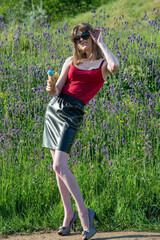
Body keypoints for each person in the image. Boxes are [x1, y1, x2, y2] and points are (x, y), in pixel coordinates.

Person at [42, 22, 119, 240]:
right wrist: (51, 88)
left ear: (92, 36)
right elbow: (57, 91)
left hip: (73, 114)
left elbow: (115, 66)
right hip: (54, 112)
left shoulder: (102, 63)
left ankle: (85, 214)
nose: (80, 41)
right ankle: (69, 215)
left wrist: (102, 43)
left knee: (60, 164)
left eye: (84, 36)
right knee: (57, 168)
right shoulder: (71, 61)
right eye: (76, 38)